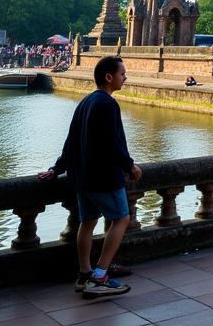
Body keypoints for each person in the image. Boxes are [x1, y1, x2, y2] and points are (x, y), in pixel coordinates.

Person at [37, 56, 141, 298]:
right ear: (109, 77)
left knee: (88, 222)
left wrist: (56, 168)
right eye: (122, 74)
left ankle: (84, 273)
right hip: (103, 177)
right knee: (122, 218)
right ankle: (100, 275)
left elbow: (71, 140)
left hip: (82, 178)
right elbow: (111, 143)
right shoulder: (106, 103)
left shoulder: (85, 101)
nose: (125, 78)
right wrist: (130, 165)